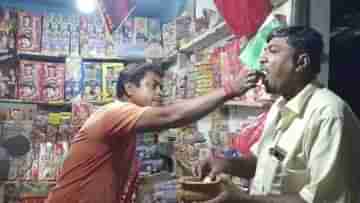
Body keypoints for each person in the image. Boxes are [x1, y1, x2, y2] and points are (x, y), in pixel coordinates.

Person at [46, 62, 262, 203]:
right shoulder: (115, 112)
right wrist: (230, 89)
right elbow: (171, 116)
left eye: (161, 87)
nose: (160, 92)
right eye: (153, 86)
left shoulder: (125, 124)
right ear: (130, 89)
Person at [193, 26, 360, 203]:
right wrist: (225, 164)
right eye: (264, 52)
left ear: (301, 62)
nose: (262, 59)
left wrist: (244, 201)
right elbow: (261, 160)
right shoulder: (279, 106)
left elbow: (323, 200)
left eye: (273, 51)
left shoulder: (328, 114)